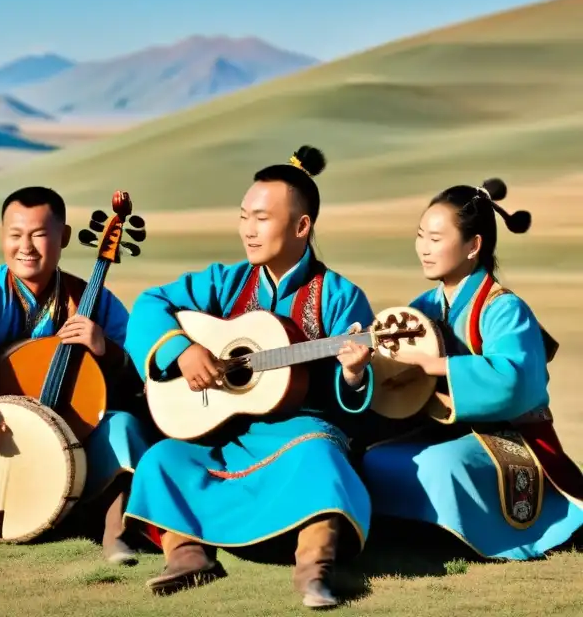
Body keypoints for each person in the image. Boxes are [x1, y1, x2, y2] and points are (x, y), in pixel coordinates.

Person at [121, 146, 376, 609]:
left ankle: (315, 570)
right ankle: (188, 555)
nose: (248, 230)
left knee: (320, 458)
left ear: (302, 227)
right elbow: (147, 306)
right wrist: (183, 351)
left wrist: (355, 374)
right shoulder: (228, 280)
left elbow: (354, 400)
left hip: (300, 436)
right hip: (227, 434)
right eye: (244, 216)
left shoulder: (342, 296)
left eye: (261, 218)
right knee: (162, 458)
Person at [358, 178, 583, 560]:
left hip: (512, 435)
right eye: (420, 236)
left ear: (473, 246)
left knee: (439, 463)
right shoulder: (424, 307)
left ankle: (457, 538)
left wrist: (438, 364)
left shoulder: (504, 309)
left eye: (435, 239)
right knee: (374, 454)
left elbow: (514, 382)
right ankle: (405, 532)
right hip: (442, 428)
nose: (423, 249)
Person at [0, 186, 152, 563]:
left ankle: (116, 534)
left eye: (39, 234)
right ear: (2, 238)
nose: (25, 247)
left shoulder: (92, 300)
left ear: (63, 237)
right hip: (0, 438)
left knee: (125, 428)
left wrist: (105, 348)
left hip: (77, 441)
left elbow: (138, 370)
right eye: (15, 235)